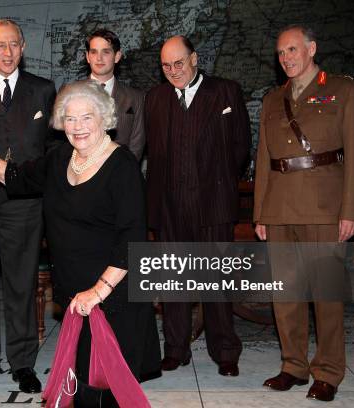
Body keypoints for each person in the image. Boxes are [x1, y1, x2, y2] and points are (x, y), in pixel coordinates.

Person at [0, 79, 161, 406]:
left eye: (86, 117)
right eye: (69, 118)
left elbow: (132, 239)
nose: (77, 126)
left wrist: (97, 292)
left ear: (104, 119)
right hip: (74, 293)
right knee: (82, 384)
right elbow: (14, 176)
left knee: (106, 390)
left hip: (113, 294)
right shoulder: (59, 159)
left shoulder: (122, 166)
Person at [254, 24, 354, 402]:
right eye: (281, 53)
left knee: (326, 295)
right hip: (280, 207)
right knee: (284, 294)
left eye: (292, 50)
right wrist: (260, 214)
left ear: (311, 48)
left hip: (325, 206)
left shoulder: (343, 90)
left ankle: (329, 371)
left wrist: (351, 210)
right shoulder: (272, 99)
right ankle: (293, 366)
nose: (286, 57)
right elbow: (264, 162)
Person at [145, 35, 249, 376]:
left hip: (213, 205)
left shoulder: (225, 91)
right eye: (166, 66)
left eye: (179, 63)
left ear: (195, 59)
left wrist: (216, 183)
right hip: (170, 206)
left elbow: (240, 148)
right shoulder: (156, 98)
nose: (173, 71)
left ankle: (225, 352)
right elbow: (154, 154)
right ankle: (175, 349)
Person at [0, 18, 56, 394]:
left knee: (20, 286)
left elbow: (52, 147)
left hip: (25, 205)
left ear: (23, 48)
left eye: (14, 44)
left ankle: (22, 363)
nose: (7, 52)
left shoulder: (43, 89)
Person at [85, 29, 145, 160]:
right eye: (94, 52)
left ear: (117, 56)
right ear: (87, 56)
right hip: (79, 175)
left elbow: (136, 147)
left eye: (106, 52)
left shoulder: (136, 98)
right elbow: (60, 144)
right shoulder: (70, 93)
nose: (99, 58)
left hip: (119, 175)